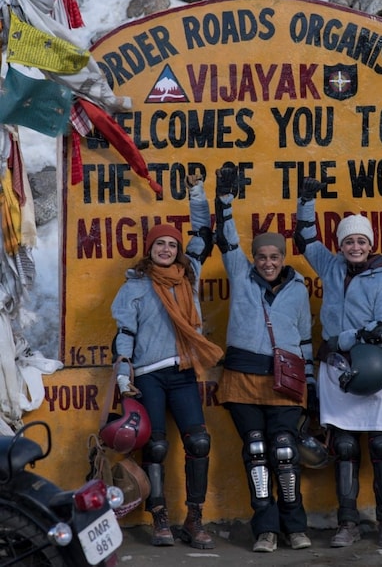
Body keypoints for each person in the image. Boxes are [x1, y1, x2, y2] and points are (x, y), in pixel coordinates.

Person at [111, 173, 223, 548]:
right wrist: (123, 373)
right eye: (159, 244)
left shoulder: (187, 278)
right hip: (148, 376)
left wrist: (196, 192)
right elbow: (124, 333)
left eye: (170, 244)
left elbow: (203, 233)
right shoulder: (136, 287)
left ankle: (194, 519)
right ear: (149, 249)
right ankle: (160, 519)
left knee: (200, 442)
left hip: (183, 371)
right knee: (155, 446)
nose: (165, 250)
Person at [294, 178, 382, 549]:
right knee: (343, 445)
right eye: (348, 241)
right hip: (336, 369)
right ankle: (347, 523)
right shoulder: (332, 265)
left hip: (373, 367)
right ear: (340, 245)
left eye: (361, 241)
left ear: (370, 244)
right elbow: (305, 239)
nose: (355, 247)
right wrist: (306, 200)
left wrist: (347, 337)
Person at [214, 162, 315, 555]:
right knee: (256, 451)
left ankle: (296, 526)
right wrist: (224, 199)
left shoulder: (299, 289)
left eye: (275, 256)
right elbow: (226, 239)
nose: (268, 262)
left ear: (283, 257)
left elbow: (305, 337)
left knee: (285, 452)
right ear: (254, 257)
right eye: (262, 256)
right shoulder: (240, 273)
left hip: (284, 381)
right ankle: (266, 531)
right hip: (241, 378)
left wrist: (309, 383)